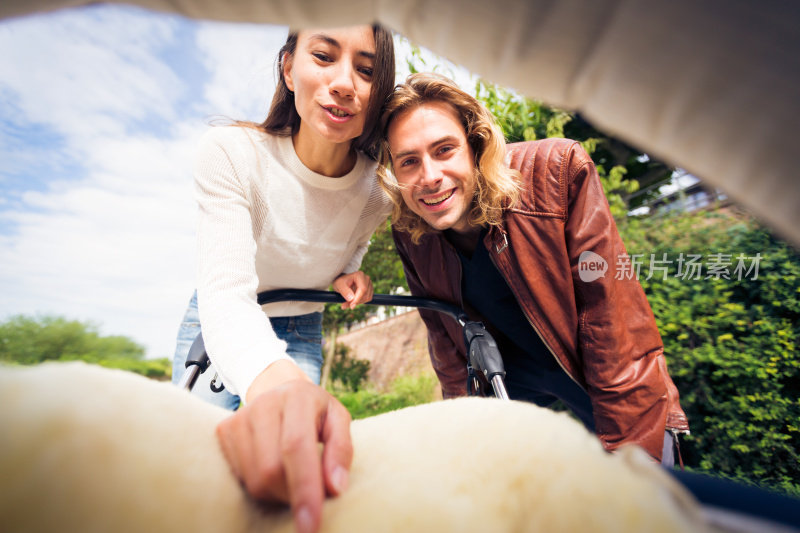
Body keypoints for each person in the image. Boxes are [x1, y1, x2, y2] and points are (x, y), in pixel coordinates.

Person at [377, 72, 689, 466]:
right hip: (508, 380)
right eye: (409, 161)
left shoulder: (559, 171)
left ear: (474, 146)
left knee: (650, 492)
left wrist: (633, 460)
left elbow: (612, 320)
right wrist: (460, 436)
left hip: (596, 368)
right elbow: (445, 340)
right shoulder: (411, 231)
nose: (429, 177)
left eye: (444, 150)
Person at [172, 25, 395, 533]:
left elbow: (349, 247)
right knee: (202, 462)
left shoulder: (379, 192)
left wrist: (348, 275)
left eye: (366, 70)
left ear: (379, 91)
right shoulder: (230, 152)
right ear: (288, 67)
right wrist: (279, 387)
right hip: (215, 320)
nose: (345, 83)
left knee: (285, 475)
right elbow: (225, 293)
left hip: (301, 328)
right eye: (323, 56)